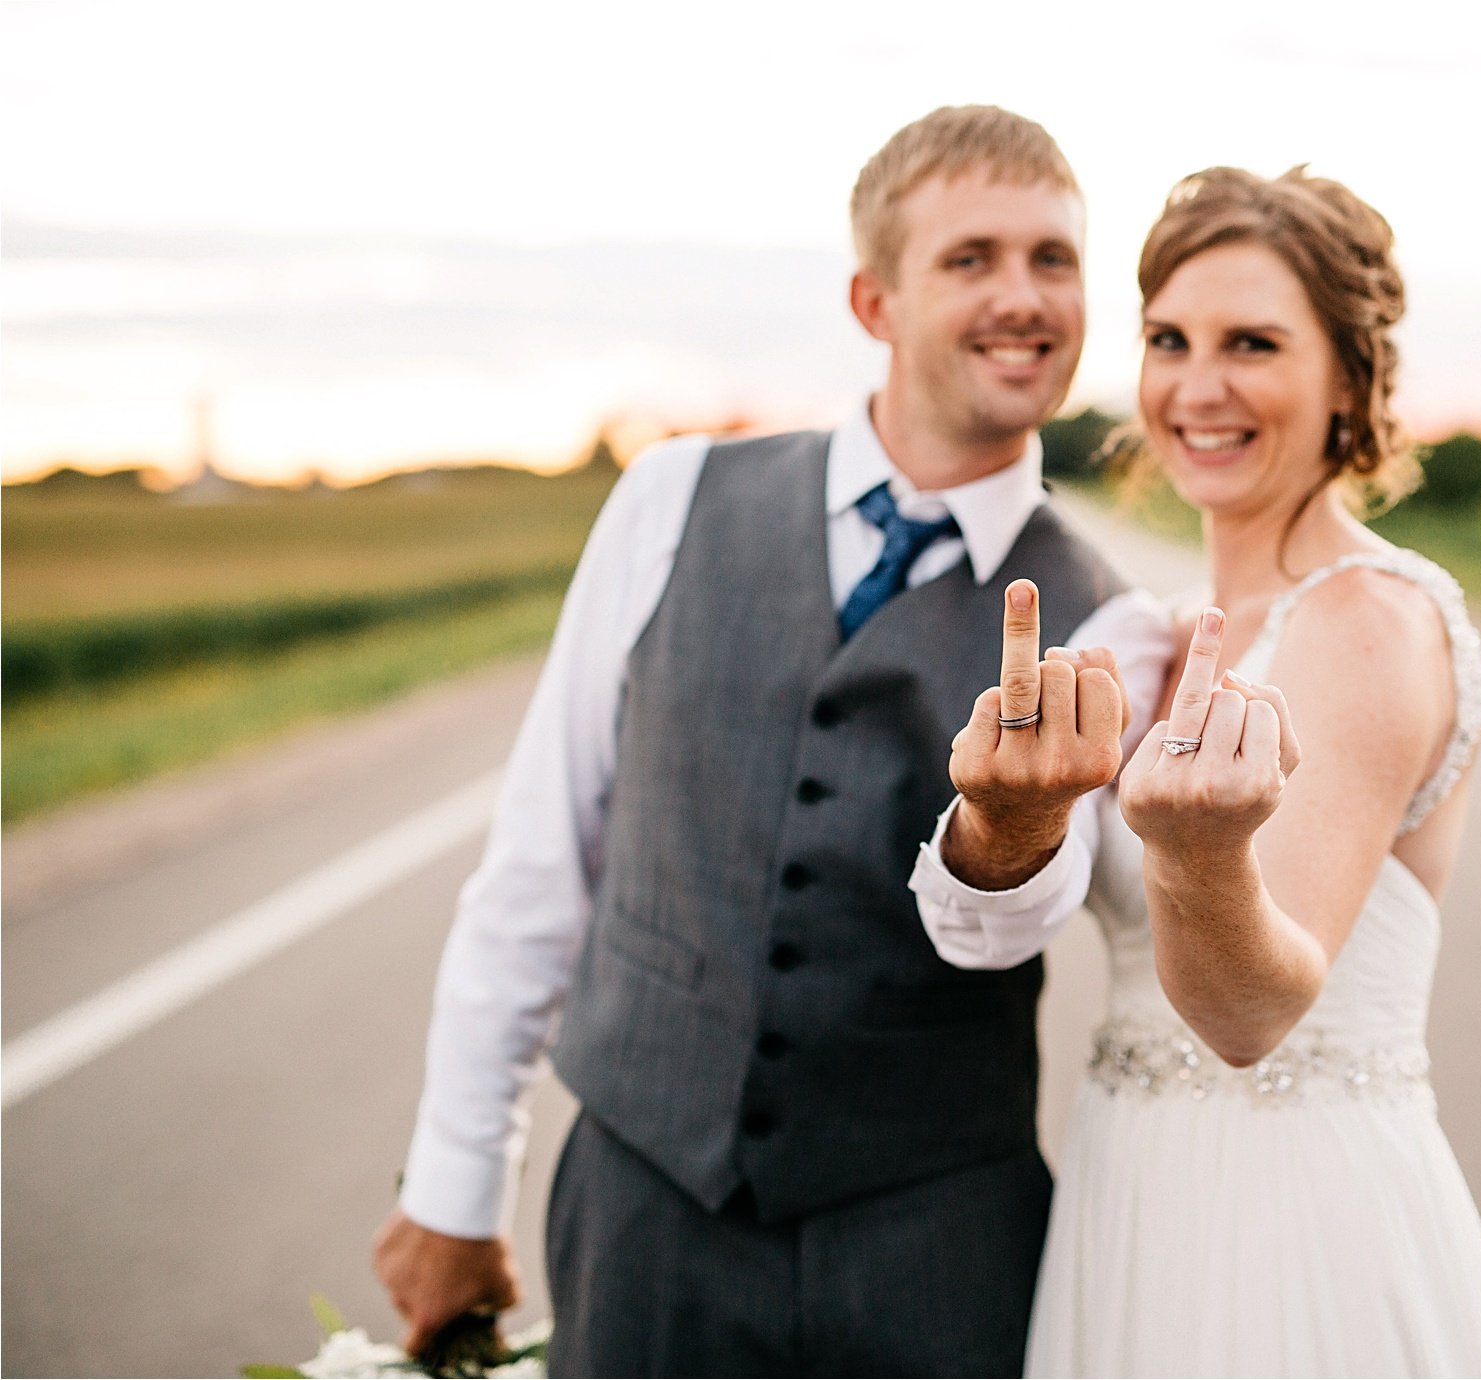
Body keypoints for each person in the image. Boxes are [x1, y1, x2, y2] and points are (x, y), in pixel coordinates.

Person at [371, 105, 1169, 1378]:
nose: (1022, 296)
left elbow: (1011, 925)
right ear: (874, 300)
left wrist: (1012, 832)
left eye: (1053, 259)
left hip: (939, 1246)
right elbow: (540, 858)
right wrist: (457, 1184)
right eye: (972, 258)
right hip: (642, 1215)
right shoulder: (672, 500)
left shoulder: (1115, 623)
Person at [915, 166, 1481, 1376]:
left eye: (1251, 342)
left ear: (1348, 379)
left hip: (1290, 1213)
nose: (1198, 387)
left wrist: (1199, 856)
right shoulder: (1158, 632)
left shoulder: (1366, 617)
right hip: (1132, 1177)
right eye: (1168, 339)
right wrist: (1012, 812)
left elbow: (1251, 1016)